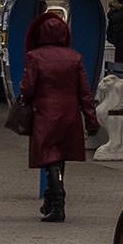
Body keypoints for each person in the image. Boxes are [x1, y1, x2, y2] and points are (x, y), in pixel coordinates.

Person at [19, 11, 101, 223]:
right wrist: (91, 119)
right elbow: (85, 92)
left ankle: (58, 203)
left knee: (50, 158)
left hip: (45, 115)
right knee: (59, 157)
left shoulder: (35, 57)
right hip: (69, 115)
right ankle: (50, 200)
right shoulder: (75, 58)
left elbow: (28, 89)